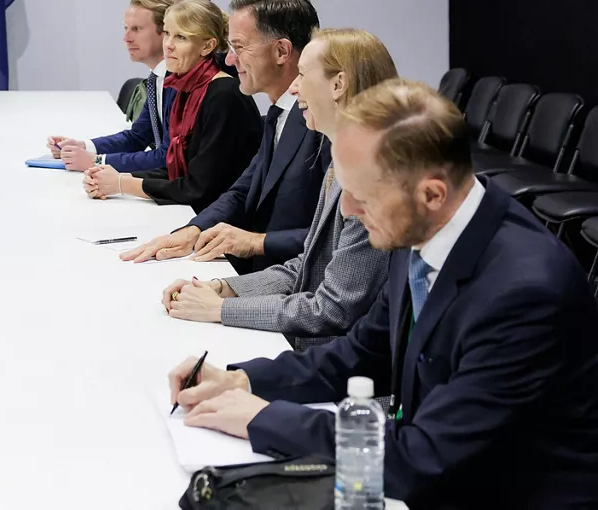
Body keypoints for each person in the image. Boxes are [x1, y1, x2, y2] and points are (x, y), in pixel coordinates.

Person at [166, 80, 598, 508]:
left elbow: (422, 459)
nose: (348, 210)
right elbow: (363, 353)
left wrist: (263, 419)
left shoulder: (524, 293)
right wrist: (244, 380)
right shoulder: (419, 227)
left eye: (363, 196)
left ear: (432, 194)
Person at [161, 29, 396, 350]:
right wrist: (223, 289)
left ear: (338, 85)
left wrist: (221, 310)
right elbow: (306, 265)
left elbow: (332, 309)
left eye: (303, 75)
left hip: (337, 363)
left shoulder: (371, 178)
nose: (294, 87)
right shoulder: (341, 164)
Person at [122, 0, 324, 272]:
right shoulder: (278, 113)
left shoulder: (323, 127)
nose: (229, 59)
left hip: (289, 282)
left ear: (281, 51)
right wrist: (192, 231)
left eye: (238, 47)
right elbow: (242, 190)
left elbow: (333, 237)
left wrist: (255, 243)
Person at [83, 0, 261, 212]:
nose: (168, 44)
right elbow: (177, 167)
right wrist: (113, 178)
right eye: (167, 33)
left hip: (224, 219)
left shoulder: (224, 97)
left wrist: (123, 184)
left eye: (181, 37)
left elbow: (200, 187)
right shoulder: (186, 87)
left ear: (207, 46)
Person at [48, 0, 175, 173]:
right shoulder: (156, 78)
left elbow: (167, 157)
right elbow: (137, 137)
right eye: (126, 28)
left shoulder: (179, 83)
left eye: (136, 29)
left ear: (165, 33)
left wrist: (96, 161)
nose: (126, 38)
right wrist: (82, 146)